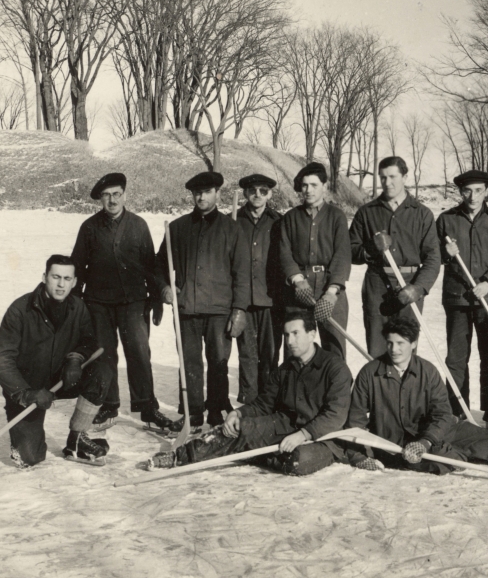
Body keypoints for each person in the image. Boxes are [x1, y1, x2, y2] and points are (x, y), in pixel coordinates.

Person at [143, 310, 353, 477]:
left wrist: (303, 435)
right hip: (285, 425)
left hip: (322, 437)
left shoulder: (334, 368)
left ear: (312, 334)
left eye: (295, 334)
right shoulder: (286, 368)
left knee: (296, 461)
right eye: (287, 335)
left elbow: (335, 415)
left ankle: (250, 450)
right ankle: (179, 456)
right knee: (238, 430)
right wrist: (240, 414)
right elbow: (265, 404)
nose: (289, 341)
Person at [341, 316, 488, 474]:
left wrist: (426, 441)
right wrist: (359, 457)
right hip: (400, 447)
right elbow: (355, 422)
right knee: (443, 462)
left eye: (401, 343)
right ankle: (455, 454)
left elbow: (443, 414)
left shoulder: (427, 371)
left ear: (414, 343)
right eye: (390, 343)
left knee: (486, 441)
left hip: (436, 433)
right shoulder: (370, 373)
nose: (394, 349)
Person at [70, 172, 178, 435]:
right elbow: (78, 267)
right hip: (98, 304)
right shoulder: (89, 227)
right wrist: (76, 305)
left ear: (125, 195)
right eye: (106, 196)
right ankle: (109, 406)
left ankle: (147, 408)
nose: (112, 200)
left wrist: (156, 301)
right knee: (104, 357)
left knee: (139, 353)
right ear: (100, 200)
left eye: (117, 194)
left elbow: (151, 266)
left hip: (134, 303)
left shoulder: (139, 225)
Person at [0, 255, 112, 467]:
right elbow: (1, 359)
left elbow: (88, 340)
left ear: (74, 282)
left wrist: (76, 359)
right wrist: (25, 393)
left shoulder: (77, 306)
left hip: (61, 377)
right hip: (29, 386)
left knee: (101, 372)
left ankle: (77, 438)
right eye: (56, 277)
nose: (61, 284)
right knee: (30, 457)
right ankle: (25, 440)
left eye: (67, 278)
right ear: (45, 277)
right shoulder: (20, 309)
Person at [156, 171, 250, 428]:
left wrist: (239, 309)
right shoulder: (177, 228)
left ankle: (217, 411)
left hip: (220, 310)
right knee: (189, 364)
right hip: (186, 309)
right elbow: (159, 266)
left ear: (217, 194)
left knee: (218, 363)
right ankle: (192, 413)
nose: (201, 197)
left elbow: (242, 273)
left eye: (207, 192)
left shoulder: (232, 229)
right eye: (197, 193)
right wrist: (165, 286)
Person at [436, 169, 488, 429]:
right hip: (457, 299)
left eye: (478, 190)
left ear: (487, 192)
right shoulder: (446, 220)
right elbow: (430, 256)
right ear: (461, 192)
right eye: (467, 190)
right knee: (456, 358)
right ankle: (456, 412)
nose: (473, 196)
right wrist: (444, 253)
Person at [349, 156, 441, 358]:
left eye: (393, 177)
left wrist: (418, 288)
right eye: (382, 178)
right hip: (377, 285)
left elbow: (433, 257)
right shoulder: (367, 212)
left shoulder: (422, 214)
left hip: (410, 285)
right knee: (377, 348)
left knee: (405, 350)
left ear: (405, 177)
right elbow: (350, 251)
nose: (387, 183)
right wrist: (371, 248)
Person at [279, 162, 351, 359]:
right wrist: (297, 279)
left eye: (314, 185)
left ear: (324, 186)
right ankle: (296, 389)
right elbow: (284, 252)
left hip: (329, 291)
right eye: (304, 185)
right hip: (298, 293)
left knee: (334, 349)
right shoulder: (291, 217)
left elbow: (343, 255)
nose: (308, 190)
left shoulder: (337, 217)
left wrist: (331, 292)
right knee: (295, 348)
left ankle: (334, 389)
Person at [234, 173, 283, 405]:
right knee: (246, 354)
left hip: (271, 299)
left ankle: (269, 402)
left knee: (270, 354)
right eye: (253, 190)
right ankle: (249, 403)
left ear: (270, 194)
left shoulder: (279, 222)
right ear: (245, 193)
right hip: (242, 300)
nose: (257, 195)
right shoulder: (232, 220)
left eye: (263, 191)